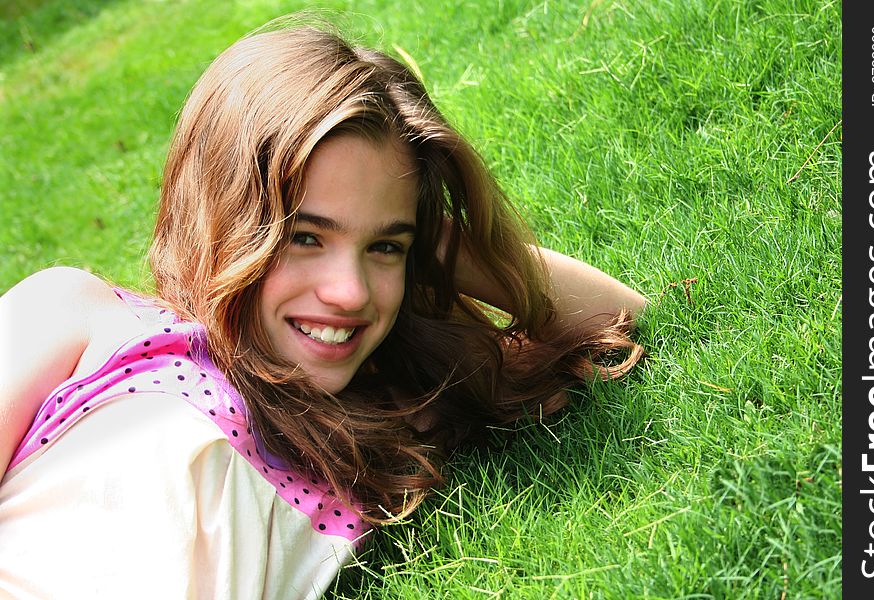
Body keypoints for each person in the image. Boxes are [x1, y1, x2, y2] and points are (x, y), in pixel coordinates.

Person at [0, 18, 646, 599]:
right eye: (305, 236)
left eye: (385, 248)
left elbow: (612, 312)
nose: (351, 292)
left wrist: (436, 240)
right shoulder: (83, 318)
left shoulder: (377, 420)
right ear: (226, 214)